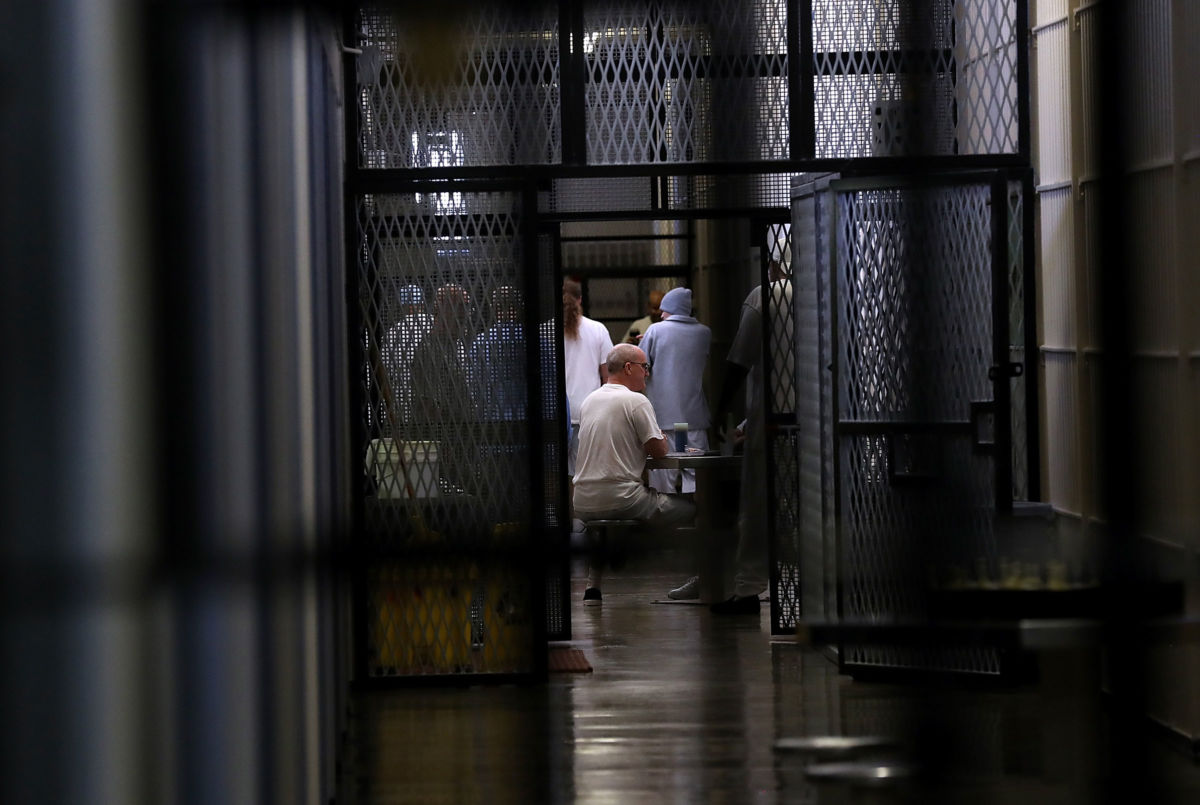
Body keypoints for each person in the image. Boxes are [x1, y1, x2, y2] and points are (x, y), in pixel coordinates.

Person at [573, 344, 696, 606]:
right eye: (645, 367)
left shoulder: (589, 400)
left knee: (602, 526)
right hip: (625, 499)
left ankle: (592, 588)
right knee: (697, 510)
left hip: (583, 501)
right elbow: (659, 450)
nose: (647, 374)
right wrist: (661, 437)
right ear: (629, 368)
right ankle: (704, 579)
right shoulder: (636, 401)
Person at [705, 259, 795, 614]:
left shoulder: (764, 297)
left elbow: (739, 362)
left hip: (772, 419)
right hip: (817, 419)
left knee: (758, 506)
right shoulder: (824, 293)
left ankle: (748, 590)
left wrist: (722, 411)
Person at [641, 286, 711, 494]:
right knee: (694, 472)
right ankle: (697, 516)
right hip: (692, 419)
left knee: (663, 474)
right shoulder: (704, 333)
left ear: (673, 309)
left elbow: (643, 364)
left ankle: (668, 522)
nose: (661, 314)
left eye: (664, 309)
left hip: (664, 420)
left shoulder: (655, 331)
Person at [410, 284, 479, 495]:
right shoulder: (431, 349)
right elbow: (427, 404)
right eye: (460, 308)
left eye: (467, 308)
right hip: (447, 451)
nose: (466, 316)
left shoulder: (454, 346)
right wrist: (444, 448)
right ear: (443, 311)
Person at [562, 279, 613, 532]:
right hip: (590, 414)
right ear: (581, 299)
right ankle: (584, 521)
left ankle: (564, 521)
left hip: (558, 413)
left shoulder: (546, 330)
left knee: (561, 475)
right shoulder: (598, 330)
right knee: (587, 474)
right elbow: (607, 376)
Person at [382, 284, 434, 427]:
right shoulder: (434, 324)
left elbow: (385, 373)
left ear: (401, 306)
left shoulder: (392, 334)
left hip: (403, 406)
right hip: (435, 407)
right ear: (422, 303)